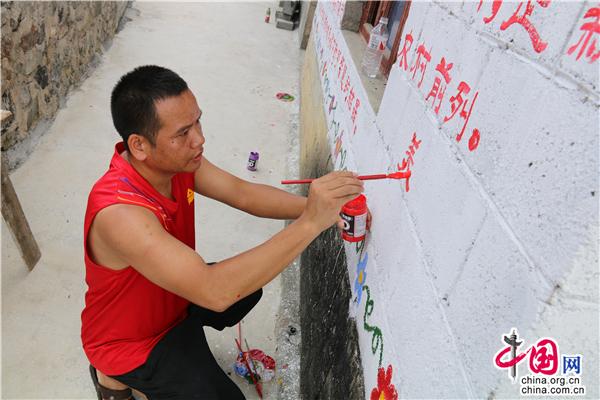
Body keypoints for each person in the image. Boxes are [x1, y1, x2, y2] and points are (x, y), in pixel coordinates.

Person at [81, 65, 364, 400]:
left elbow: (243, 193)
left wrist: (318, 208)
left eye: (197, 122)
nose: (199, 139)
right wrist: (311, 223)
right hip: (132, 341)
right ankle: (111, 377)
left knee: (247, 288)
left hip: (171, 299)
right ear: (139, 145)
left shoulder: (176, 163)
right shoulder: (120, 213)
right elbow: (214, 291)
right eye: (182, 133)